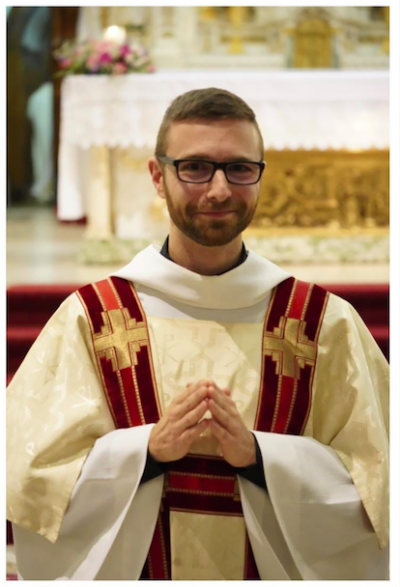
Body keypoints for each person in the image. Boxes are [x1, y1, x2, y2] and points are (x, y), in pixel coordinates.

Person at [7, 88, 389, 580]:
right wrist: (146, 450)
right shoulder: (94, 318)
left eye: (239, 168)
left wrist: (259, 458)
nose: (219, 190)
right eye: (194, 167)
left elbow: (379, 484)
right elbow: (32, 477)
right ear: (157, 177)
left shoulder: (322, 323)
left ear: (260, 175)